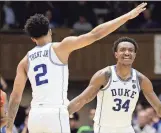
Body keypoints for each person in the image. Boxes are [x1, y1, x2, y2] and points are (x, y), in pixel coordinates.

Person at [6, 2, 147, 133]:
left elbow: (15, 98)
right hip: (55, 113)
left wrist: (9, 128)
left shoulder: (25, 61)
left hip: (35, 116)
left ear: (32, 38)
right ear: (50, 31)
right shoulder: (60, 47)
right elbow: (96, 34)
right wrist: (127, 16)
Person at [68, 36, 161, 133]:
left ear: (135, 55)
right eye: (123, 50)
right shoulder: (105, 75)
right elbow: (82, 99)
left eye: (131, 50)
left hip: (126, 128)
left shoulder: (141, 79)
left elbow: (159, 108)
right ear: (116, 54)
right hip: (104, 128)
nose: (127, 53)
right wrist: (63, 114)